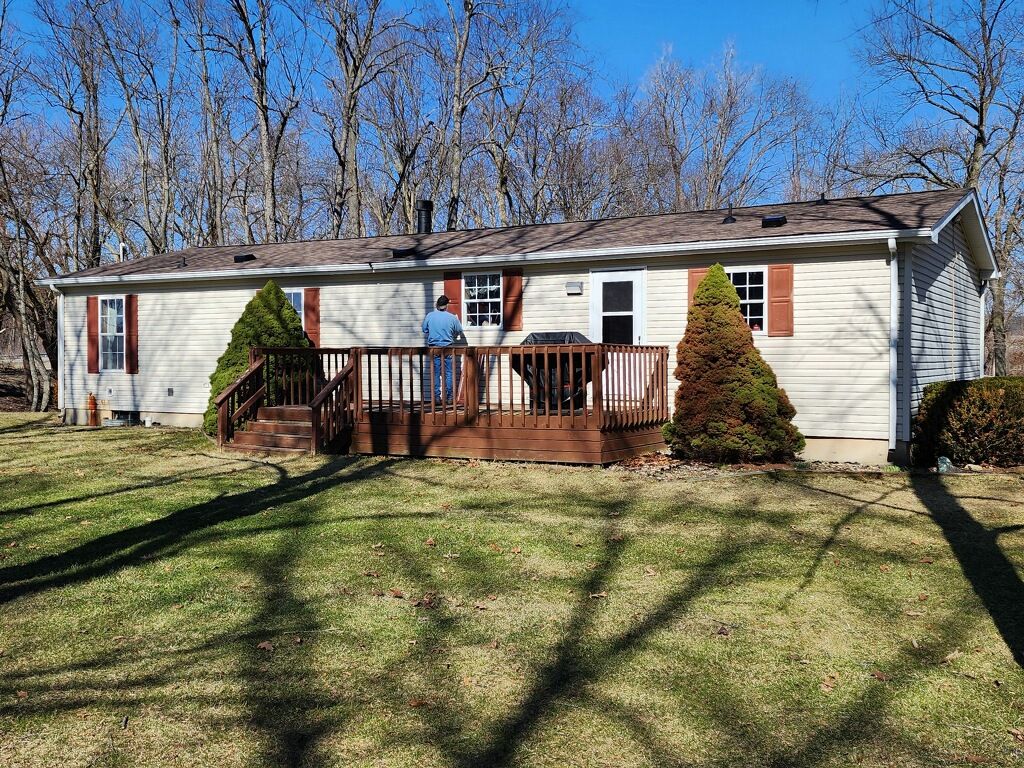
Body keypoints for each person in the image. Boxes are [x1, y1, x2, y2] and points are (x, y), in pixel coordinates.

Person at [422, 295, 464, 404]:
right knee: (449, 372)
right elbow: (459, 330)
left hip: (434, 347)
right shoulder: (451, 317)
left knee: (435, 373)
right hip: (448, 347)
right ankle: (449, 398)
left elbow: (424, 329)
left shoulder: (430, 316)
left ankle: (436, 398)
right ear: (447, 305)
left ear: (437, 305)